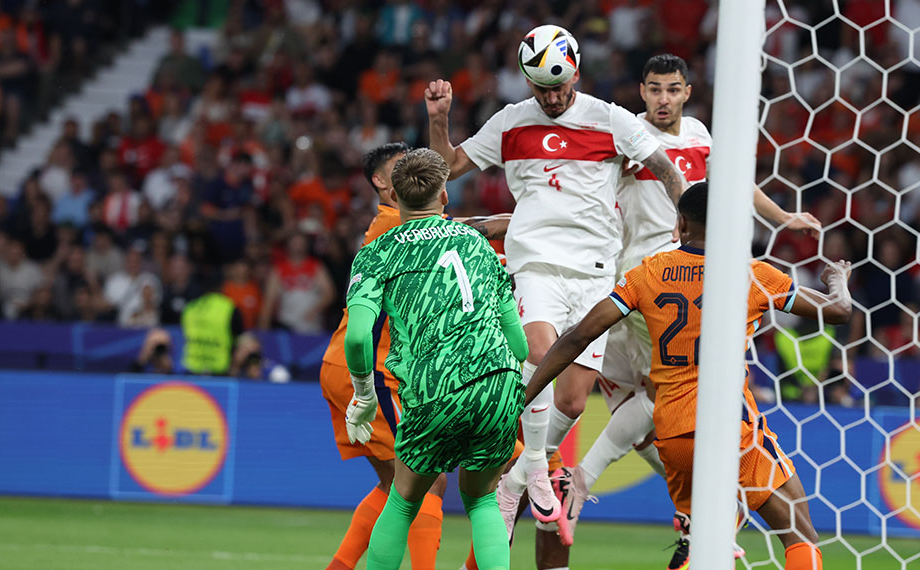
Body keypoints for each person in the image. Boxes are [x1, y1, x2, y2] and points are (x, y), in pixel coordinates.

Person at [425, 23, 688, 535]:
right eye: (541, 87)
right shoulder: (510, 123)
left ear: (576, 75)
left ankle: (518, 479)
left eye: (559, 86)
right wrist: (439, 121)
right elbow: (448, 167)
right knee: (540, 352)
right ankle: (538, 471)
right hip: (536, 261)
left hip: (596, 270)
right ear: (527, 82)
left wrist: (685, 220)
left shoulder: (609, 120)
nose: (551, 96)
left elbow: (663, 165)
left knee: (570, 400)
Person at [559, 54, 824, 544]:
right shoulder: (625, 137)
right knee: (667, 397)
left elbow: (734, 185)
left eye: (672, 89)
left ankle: (694, 515)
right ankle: (672, 501)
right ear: (642, 91)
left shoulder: (701, 134)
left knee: (653, 410)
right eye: (655, 89)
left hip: (692, 274)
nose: (663, 99)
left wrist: (782, 217)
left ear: (685, 91)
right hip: (646, 279)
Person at [524, 183, 850, 570]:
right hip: (732, 430)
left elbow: (579, 336)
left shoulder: (646, 274)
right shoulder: (753, 275)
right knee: (800, 536)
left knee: (702, 547)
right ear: (729, 225)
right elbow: (839, 311)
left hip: (674, 433)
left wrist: (526, 395)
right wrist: (838, 280)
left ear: (679, 223)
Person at [341, 148, 528, 570]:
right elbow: (519, 344)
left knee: (404, 500)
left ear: (397, 197)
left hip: (433, 388)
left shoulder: (377, 252)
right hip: (497, 381)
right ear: (444, 195)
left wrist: (365, 395)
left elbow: (357, 338)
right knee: (481, 500)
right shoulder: (477, 243)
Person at [320, 142, 448, 570]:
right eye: (400, 168)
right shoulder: (394, 223)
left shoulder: (396, 223)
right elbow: (450, 232)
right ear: (380, 181)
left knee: (394, 484)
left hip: (350, 362)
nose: (413, 173)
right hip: (367, 368)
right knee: (428, 480)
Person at [181, 274, 242, 376]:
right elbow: (239, 339)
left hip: (191, 371)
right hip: (220, 372)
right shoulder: (230, 308)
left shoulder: (190, 308)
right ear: (222, 286)